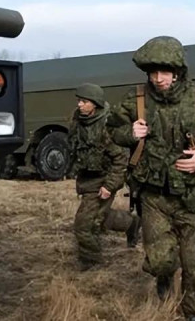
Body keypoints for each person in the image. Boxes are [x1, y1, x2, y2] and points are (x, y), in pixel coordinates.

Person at [108, 36, 195, 321]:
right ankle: (164, 278)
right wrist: (129, 133)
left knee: (194, 266)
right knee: (160, 261)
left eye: (165, 72)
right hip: (154, 196)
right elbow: (110, 131)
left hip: (192, 196)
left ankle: (193, 313)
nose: (158, 79)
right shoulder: (136, 100)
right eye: (153, 72)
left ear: (178, 71)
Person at [68, 83, 140, 271]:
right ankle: (131, 223)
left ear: (96, 104)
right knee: (100, 217)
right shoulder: (78, 121)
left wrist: (109, 186)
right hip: (86, 178)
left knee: (84, 226)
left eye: (84, 101)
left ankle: (91, 262)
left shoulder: (108, 126)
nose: (79, 105)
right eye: (79, 101)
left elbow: (120, 160)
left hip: (104, 179)